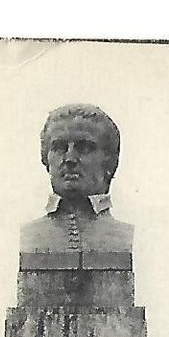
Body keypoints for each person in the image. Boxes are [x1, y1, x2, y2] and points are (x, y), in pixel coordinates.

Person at [20, 104, 133, 255]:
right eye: (59, 147)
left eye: (84, 148)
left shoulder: (129, 238)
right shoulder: (27, 236)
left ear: (110, 160)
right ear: (46, 158)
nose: (70, 158)